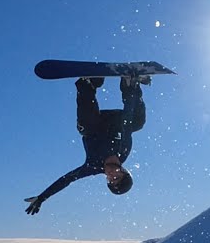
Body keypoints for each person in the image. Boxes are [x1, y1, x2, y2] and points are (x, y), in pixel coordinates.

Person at [24, 75, 147, 215]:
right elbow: (127, 118)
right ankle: (131, 82)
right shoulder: (124, 149)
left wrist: (42, 197)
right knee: (137, 123)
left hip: (93, 122)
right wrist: (130, 90)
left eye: (110, 181)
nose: (111, 175)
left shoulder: (92, 166)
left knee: (85, 128)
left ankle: (88, 84)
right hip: (115, 120)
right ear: (124, 171)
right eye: (116, 177)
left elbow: (67, 179)